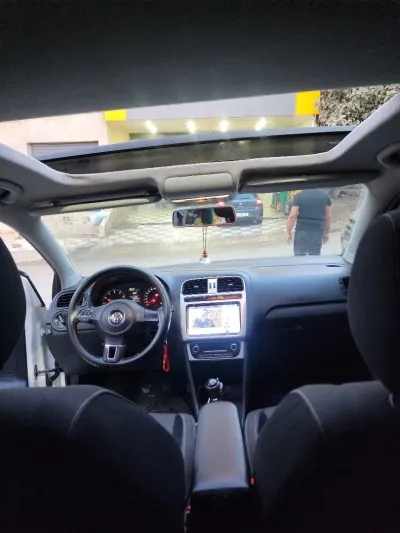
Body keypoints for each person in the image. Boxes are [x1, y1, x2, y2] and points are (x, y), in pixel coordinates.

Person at [286, 189, 331, 255]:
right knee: (314, 258)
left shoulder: (299, 195)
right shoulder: (325, 195)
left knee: (299, 258)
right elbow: (327, 217)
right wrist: (326, 233)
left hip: (301, 232)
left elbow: (292, 216)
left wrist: (288, 232)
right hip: (317, 233)